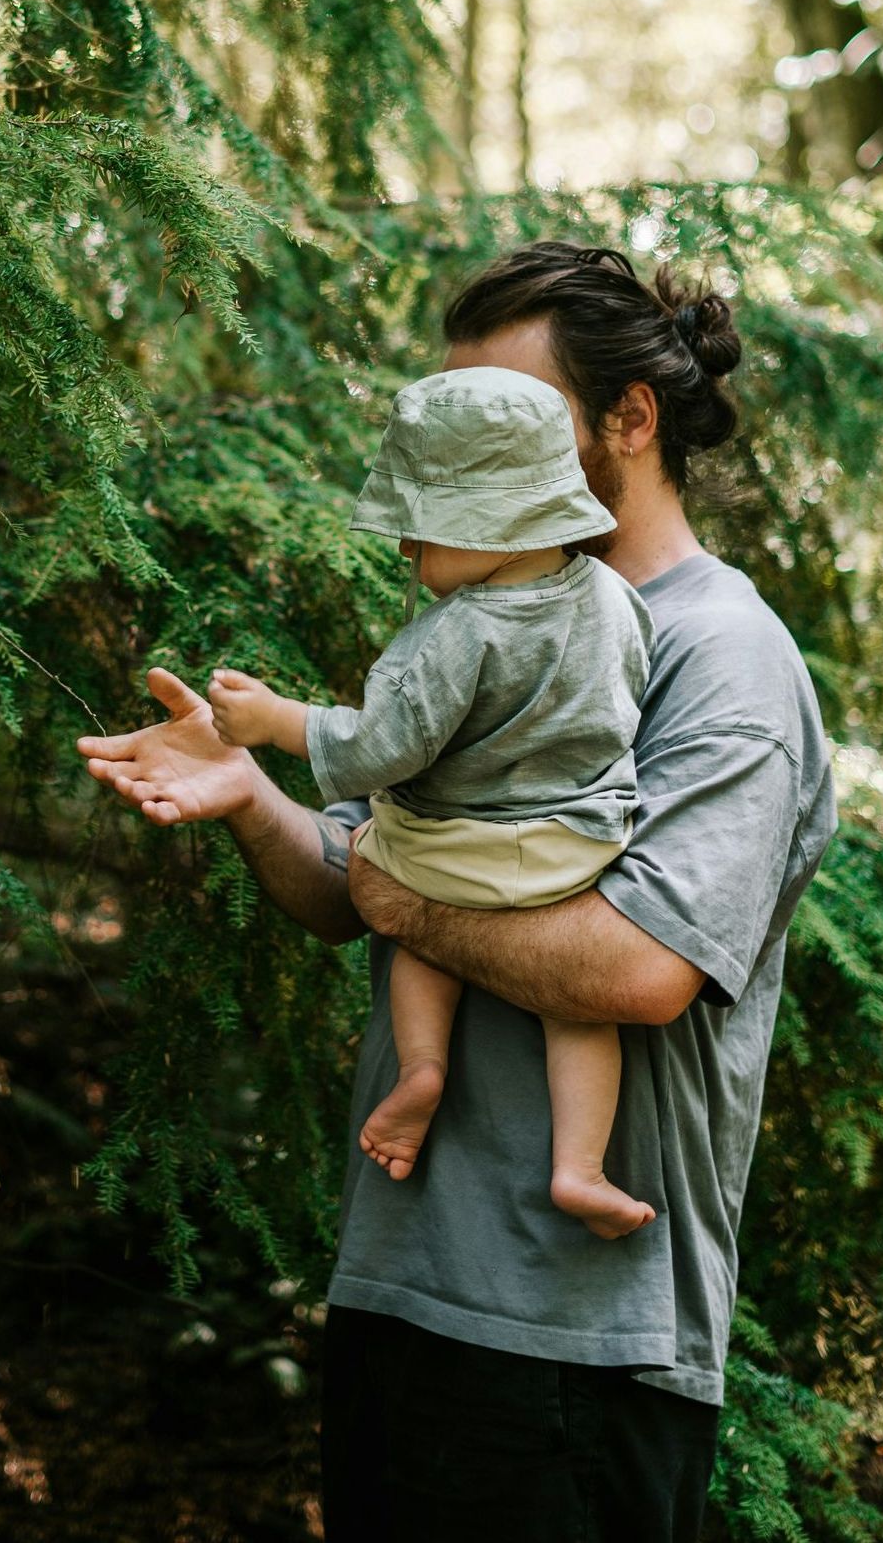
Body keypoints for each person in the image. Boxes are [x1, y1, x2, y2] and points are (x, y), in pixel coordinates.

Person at [76, 240, 840, 1542]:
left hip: (568, 1339)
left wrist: (394, 890)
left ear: (629, 418)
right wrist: (248, 793)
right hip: (403, 1283)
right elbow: (357, 880)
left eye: (507, 412)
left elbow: (636, 968)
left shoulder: (720, 654)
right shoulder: (485, 621)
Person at [205, 365, 659, 1237]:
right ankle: (580, 1169)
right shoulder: (616, 597)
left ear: (490, 525)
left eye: (419, 534)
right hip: (577, 849)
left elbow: (381, 748)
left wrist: (275, 720)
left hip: (451, 846)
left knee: (415, 917)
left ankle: (422, 1068)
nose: (406, 554)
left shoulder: (460, 632)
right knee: (579, 1010)